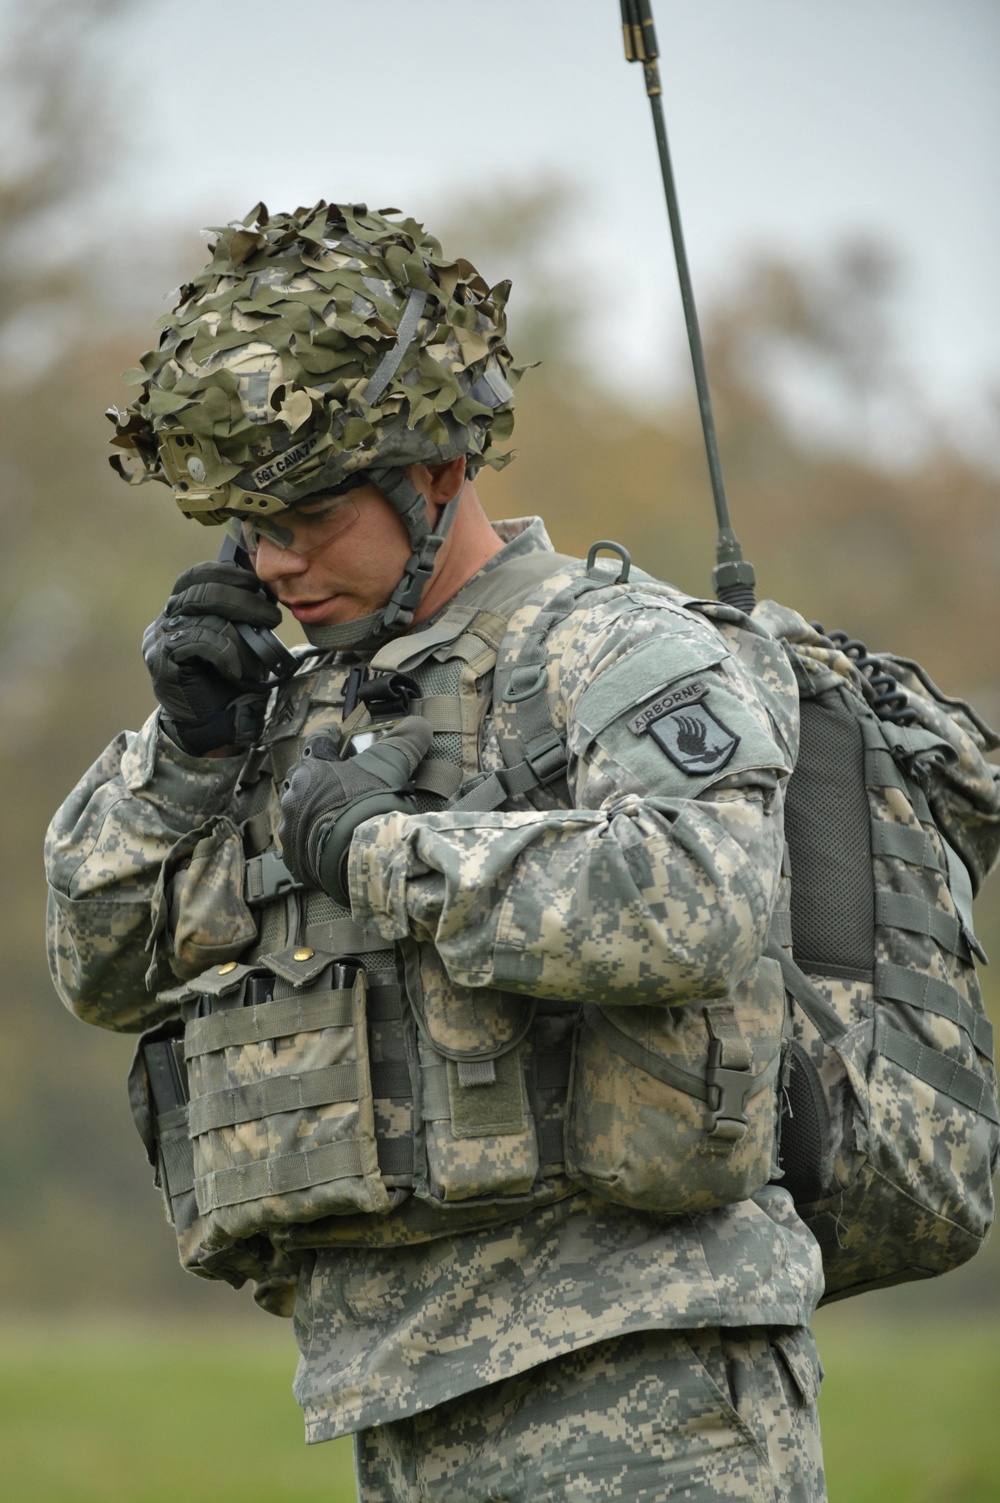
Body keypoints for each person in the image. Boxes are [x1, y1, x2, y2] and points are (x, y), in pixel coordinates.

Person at [45, 202, 826, 1502]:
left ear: (441, 472)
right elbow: (101, 965)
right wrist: (187, 755)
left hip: (641, 1372)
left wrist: (388, 856)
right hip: (394, 1386)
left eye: (309, 517)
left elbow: (706, 893)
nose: (275, 563)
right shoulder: (278, 701)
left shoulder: (604, 649)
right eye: (247, 525)